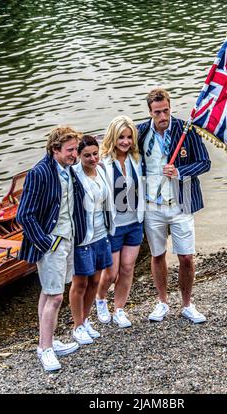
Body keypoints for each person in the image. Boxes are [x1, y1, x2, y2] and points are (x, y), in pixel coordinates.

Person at [137, 88, 211, 323]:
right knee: (158, 255)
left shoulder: (186, 130)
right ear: (150, 112)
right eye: (158, 112)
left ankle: (188, 304)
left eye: (166, 110)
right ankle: (162, 303)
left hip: (181, 204)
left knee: (186, 257)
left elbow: (205, 163)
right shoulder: (139, 133)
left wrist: (181, 171)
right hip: (152, 207)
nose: (163, 116)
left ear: (170, 107)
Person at [16, 126, 87, 372]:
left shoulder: (68, 170)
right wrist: (46, 243)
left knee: (49, 293)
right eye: (69, 150)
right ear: (55, 149)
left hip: (67, 238)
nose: (74, 155)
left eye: (76, 149)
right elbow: (24, 215)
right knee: (56, 297)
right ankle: (46, 350)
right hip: (51, 243)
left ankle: (46, 342)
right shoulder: (39, 173)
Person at [96, 115, 144, 328]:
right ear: (112, 137)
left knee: (127, 268)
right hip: (113, 225)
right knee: (111, 272)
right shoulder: (103, 163)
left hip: (135, 222)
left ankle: (120, 310)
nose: (125, 141)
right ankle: (100, 299)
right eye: (121, 137)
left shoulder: (136, 159)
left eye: (129, 137)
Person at [69, 135, 114, 344]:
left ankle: (86, 320)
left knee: (96, 279)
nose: (93, 158)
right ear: (78, 156)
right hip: (82, 236)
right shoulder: (74, 176)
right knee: (80, 283)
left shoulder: (102, 169)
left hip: (101, 232)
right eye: (87, 155)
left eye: (95, 154)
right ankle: (77, 325)